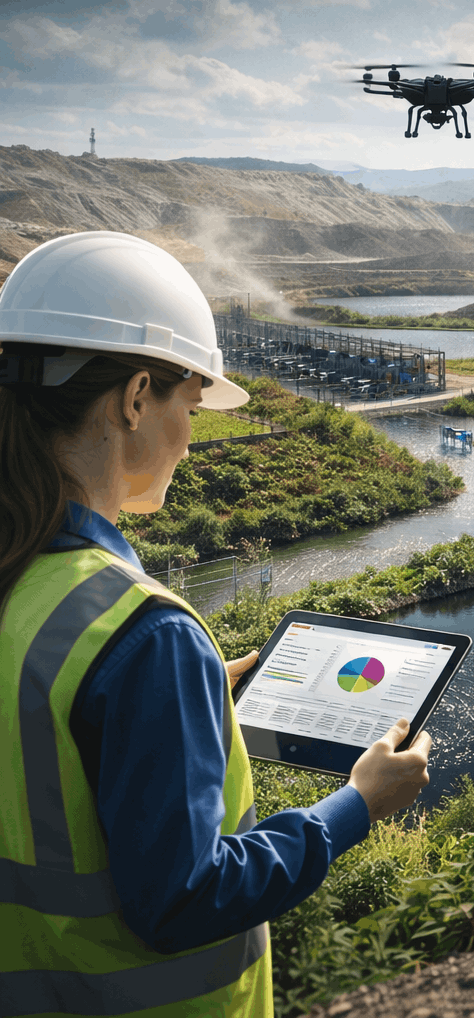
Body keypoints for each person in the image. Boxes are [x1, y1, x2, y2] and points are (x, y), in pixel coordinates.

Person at [0, 231, 433, 1017]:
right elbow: (183, 899)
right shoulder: (144, 634)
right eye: (190, 405)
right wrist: (356, 806)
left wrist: (185, 705)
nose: (193, 437)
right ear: (136, 397)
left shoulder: (24, 581)